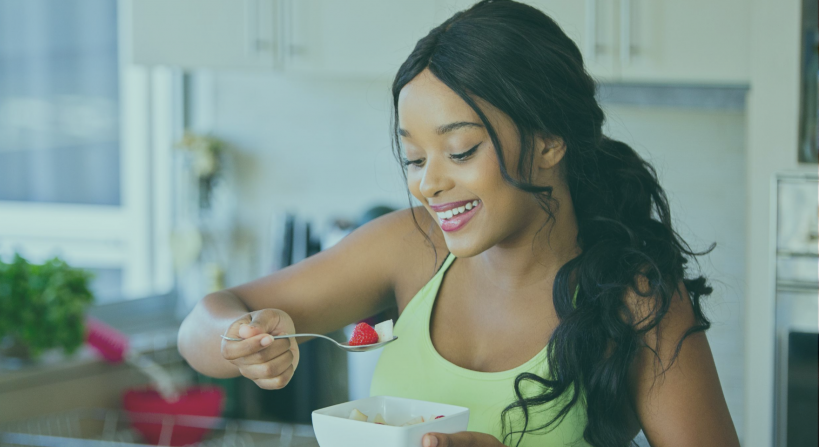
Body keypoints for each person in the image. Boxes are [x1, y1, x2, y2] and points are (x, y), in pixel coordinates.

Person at [177, 1, 740, 445]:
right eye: (415, 160)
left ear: (548, 141)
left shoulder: (637, 301)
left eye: (462, 150)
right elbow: (202, 323)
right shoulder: (410, 246)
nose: (428, 183)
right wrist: (236, 341)